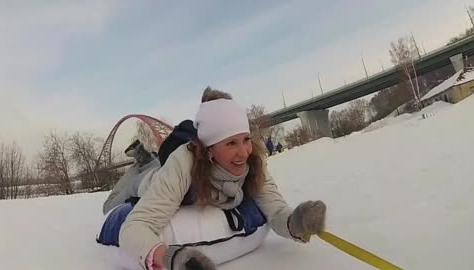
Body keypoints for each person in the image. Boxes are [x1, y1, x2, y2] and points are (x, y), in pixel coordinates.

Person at [118, 87, 327, 270]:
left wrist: (297, 223)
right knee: (131, 187)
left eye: (245, 139)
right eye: (231, 143)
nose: (243, 152)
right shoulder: (183, 163)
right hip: (151, 180)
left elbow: (276, 210)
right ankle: (143, 160)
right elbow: (134, 227)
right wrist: (172, 258)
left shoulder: (254, 160)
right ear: (209, 150)